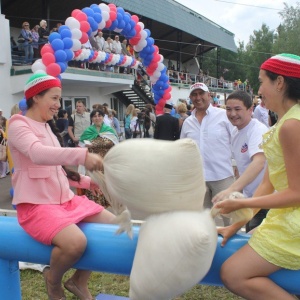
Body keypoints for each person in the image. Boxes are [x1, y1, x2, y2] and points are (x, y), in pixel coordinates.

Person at [8, 73, 116, 300]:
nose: (59, 105)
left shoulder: (47, 127)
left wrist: (86, 182)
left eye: (59, 99)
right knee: (76, 242)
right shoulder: (17, 124)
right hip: (36, 206)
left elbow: (56, 168)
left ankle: (78, 281)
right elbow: (38, 155)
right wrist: (82, 155)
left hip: (64, 202)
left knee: (113, 226)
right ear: (36, 97)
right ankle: (53, 281)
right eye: (54, 98)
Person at [213, 53, 300, 299]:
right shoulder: (285, 123)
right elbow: (267, 184)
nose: (259, 89)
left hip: (293, 223)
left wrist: (240, 203)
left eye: (262, 82)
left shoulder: (292, 125)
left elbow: (296, 193)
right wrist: (239, 224)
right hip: (284, 218)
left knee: (232, 273)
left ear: (280, 83)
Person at [212, 90, 269, 232]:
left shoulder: (257, 130)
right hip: (251, 198)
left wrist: (231, 189)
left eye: (238, 109)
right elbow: (242, 164)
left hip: (266, 200)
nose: (232, 114)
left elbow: (258, 162)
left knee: (255, 243)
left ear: (250, 110)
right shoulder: (235, 131)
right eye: (229, 109)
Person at [180, 82, 234, 226]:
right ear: (190, 98)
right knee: (201, 220)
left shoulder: (223, 116)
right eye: (194, 94)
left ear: (209, 95)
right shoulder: (188, 123)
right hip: (198, 179)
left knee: (230, 218)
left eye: (201, 93)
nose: (198, 98)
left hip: (222, 176)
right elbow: (183, 150)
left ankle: (232, 248)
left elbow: (236, 140)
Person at [79, 109, 119, 207]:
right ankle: (95, 207)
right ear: (92, 118)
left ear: (103, 117)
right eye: (94, 116)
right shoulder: (88, 131)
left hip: (106, 164)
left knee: (106, 186)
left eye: (99, 116)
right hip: (93, 165)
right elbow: (81, 147)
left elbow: (115, 146)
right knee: (94, 185)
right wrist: (86, 146)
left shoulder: (109, 130)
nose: (97, 118)